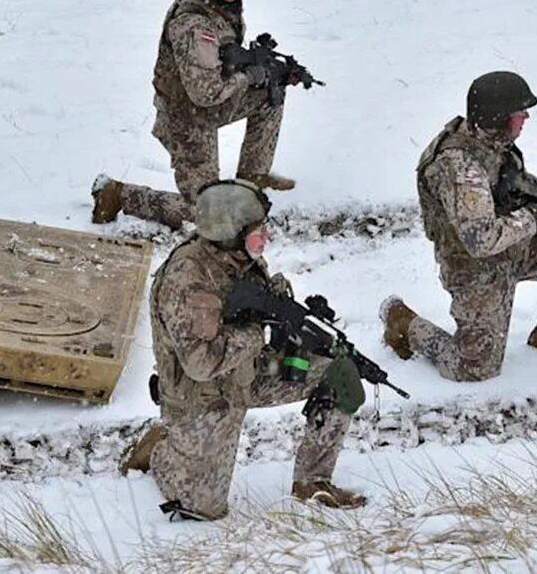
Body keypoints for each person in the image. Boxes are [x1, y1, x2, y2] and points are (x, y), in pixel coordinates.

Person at [120, 179, 367, 519]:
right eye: (257, 233)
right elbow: (201, 363)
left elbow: (249, 304)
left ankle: (313, 483)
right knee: (203, 509)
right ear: (232, 235)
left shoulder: (238, 257)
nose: (265, 239)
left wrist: (285, 307)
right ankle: (160, 450)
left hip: (246, 374)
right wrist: (255, 333)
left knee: (340, 374)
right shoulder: (188, 279)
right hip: (203, 396)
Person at [381, 72, 537, 382]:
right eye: (519, 112)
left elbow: (510, 184)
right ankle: (403, 322)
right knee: (475, 368)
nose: (526, 117)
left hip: (512, 248)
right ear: (498, 117)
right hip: (475, 268)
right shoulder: (460, 167)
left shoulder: (492, 142)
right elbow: (481, 240)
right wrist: (535, 215)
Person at [92, 0, 295, 229]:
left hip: (208, 105)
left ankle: (251, 182)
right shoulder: (194, 23)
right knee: (210, 217)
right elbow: (205, 92)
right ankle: (118, 195)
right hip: (186, 119)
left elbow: (221, 61)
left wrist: (266, 70)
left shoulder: (219, 6)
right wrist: (248, 77)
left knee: (271, 94)